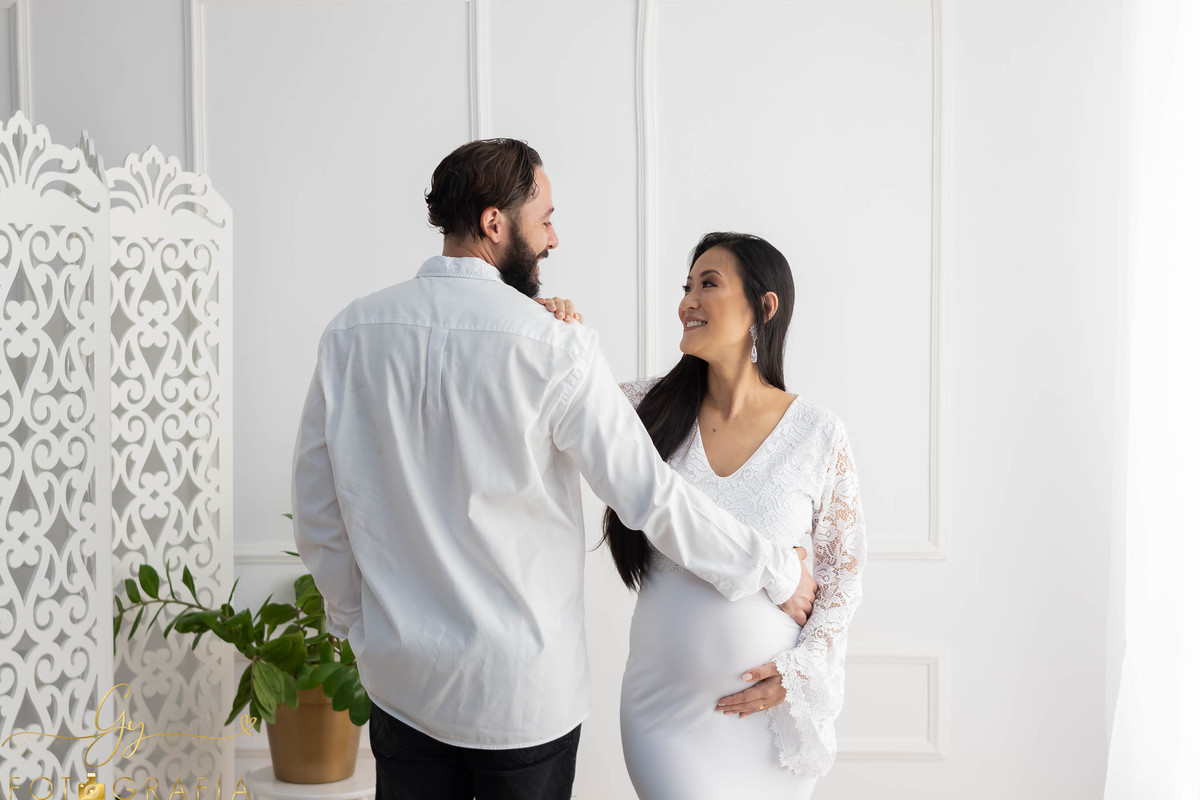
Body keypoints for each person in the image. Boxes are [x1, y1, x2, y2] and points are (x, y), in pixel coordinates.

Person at [290, 140, 817, 800]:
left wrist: (360, 628)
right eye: (544, 219)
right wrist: (775, 570)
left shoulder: (350, 334)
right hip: (523, 697)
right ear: (494, 223)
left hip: (403, 687)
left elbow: (318, 511)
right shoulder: (552, 345)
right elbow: (650, 496)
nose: (553, 239)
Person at [599, 232, 866, 799]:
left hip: (770, 721)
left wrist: (800, 673)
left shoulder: (818, 433)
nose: (687, 302)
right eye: (687, 287)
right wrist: (557, 324)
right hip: (667, 715)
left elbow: (843, 578)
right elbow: (558, 393)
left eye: (708, 284)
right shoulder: (640, 409)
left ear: (763, 308)